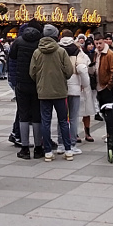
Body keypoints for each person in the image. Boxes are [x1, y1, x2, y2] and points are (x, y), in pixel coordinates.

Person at [30, 24, 74, 161]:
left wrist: (40, 81)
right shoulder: (61, 51)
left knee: (45, 121)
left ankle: (48, 151)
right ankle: (68, 150)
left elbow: (32, 72)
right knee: (63, 121)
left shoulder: (37, 52)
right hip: (60, 91)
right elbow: (69, 71)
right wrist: (62, 77)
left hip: (43, 91)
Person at [13, 20, 45, 159]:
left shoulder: (19, 41)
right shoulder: (40, 42)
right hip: (37, 82)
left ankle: (24, 148)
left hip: (22, 82)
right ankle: (38, 148)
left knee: (23, 115)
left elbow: (12, 56)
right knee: (37, 115)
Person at [59, 32, 89, 152]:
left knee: (62, 117)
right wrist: (85, 84)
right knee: (73, 117)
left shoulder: (58, 49)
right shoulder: (77, 50)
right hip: (75, 86)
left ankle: (61, 143)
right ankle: (72, 144)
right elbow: (82, 68)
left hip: (60, 86)